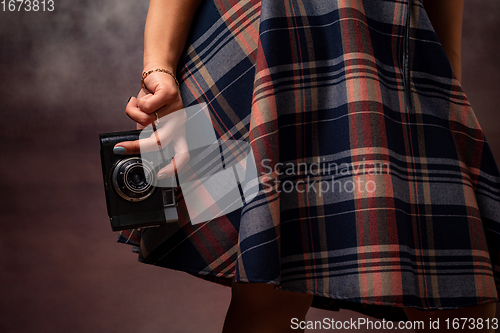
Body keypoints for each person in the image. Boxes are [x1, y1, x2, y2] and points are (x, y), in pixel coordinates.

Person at [114, 0, 500, 332]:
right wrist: (158, 70)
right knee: (268, 292)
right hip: (267, 57)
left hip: (384, 64)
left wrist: (444, 95)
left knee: (465, 302)